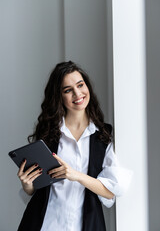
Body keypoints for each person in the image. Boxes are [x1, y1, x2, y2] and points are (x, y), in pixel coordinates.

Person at [17, 61, 131, 231]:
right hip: (45, 224)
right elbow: (36, 190)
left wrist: (75, 175)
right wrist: (27, 184)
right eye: (68, 90)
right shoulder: (48, 133)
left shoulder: (103, 135)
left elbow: (111, 191)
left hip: (85, 225)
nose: (78, 94)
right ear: (59, 97)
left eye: (80, 85)